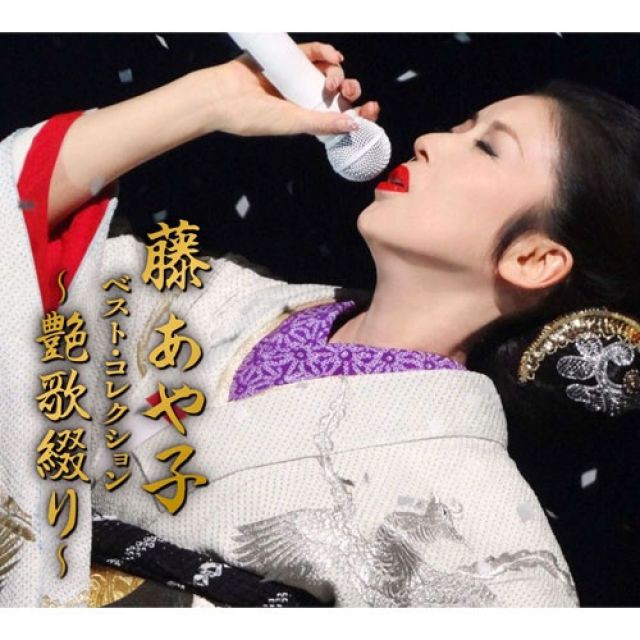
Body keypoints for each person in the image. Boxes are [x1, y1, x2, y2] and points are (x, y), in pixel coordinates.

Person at [4, 37, 637, 607]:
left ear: (533, 259)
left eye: (487, 147)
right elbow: (21, 236)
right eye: (460, 126)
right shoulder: (225, 303)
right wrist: (210, 99)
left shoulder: (485, 525)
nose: (430, 140)